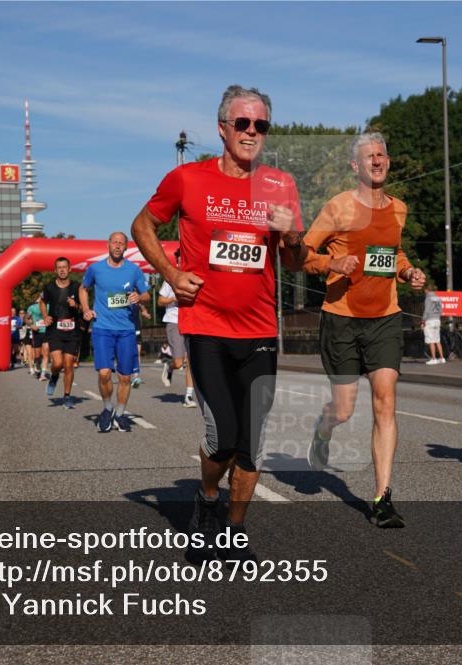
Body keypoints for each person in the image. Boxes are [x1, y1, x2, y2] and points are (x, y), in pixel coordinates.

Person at [131, 84, 303, 558]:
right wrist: (170, 271)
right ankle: (207, 496)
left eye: (261, 125)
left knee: (252, 446)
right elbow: (141, 226)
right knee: (221, 436)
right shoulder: (187, 178)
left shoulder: (280, 185)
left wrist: (291, 237)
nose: (252, 132)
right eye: (243, 123)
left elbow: (295, 262)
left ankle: (232, 528)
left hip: (261, 330)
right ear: (223, 128)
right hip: (205, 325)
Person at [300, 132, 425, 528]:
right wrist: (330, 266)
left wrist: (407, 271)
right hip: (341, 318)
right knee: (344, 409)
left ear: (388, 162)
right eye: (369, 156)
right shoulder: (338, 207)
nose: (377, 160)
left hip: (385, 317)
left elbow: (392, 251)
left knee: (385, 400)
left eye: (382, 155)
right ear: (355, 166)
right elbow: (302, 254)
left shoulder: (399, 209)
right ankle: (323, 429)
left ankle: (381, 497)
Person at [80, 232, 150, 432]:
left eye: (122, 243)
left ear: (126, 248)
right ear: (108, 245)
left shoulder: (134, 270)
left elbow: (145, 293)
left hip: (127, 330)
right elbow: (83, 289)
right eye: (115, 242)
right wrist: (86, 309)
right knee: (104, 374)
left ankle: (120, 413)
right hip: (102, 328)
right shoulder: (96, 269)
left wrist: (140, 297)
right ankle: (107, 408)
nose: (118, 246)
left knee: (125, 377)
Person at [41, 257, 84, 409]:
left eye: (64, 267)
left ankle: (67, 396)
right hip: (55, 330)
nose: (62, 270)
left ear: (70, 269)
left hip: (72, 331)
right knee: (58, 363)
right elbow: (41, 302)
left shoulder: (77, 287)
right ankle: (54, 376)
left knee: (69, 365)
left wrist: (76, 304)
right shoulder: (49, 287)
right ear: (55, 270)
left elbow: (83, 308)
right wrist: (45, 316)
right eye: (59, 267)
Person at [158, 251, 197, 408]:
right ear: (177, 262)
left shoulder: (195, 279)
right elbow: (160, 301)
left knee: (192, 362)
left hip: (193, 322)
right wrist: (174, 298)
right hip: (175, 322)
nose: (182, 264)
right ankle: (169, 366)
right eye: (180, 261)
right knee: (179, 362)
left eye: (185, 261)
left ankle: (188, 396)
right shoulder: (170, 280)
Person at [27, 294, 50, 380]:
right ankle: (37, 364)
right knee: (37, 355)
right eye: (40, 297)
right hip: (37, 333)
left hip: (47, 332)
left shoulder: (49, 306)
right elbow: (26, 318)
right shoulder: (32, 308)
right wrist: (32, 325)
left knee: (46, 353)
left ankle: (43, 374)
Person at [422, 285, 445, 365]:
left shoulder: (428, 298)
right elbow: (441, 311)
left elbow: (427, 310)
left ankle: (434, 359)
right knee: (437, 340)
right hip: (437, 320)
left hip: (430, 321)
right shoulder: (438, 298)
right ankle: (442, 358)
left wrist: (423, 321)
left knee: (431, 340)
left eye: (424, 290)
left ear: (427, 290)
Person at [131, 303, 151, 389]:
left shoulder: (136, 298)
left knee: (137, 352)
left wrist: (145, 312)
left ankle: (135, 376)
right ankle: (126, 373)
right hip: (123, 327)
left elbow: (142, 307)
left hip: (136, 327)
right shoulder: (120, 295)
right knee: (126, 353)